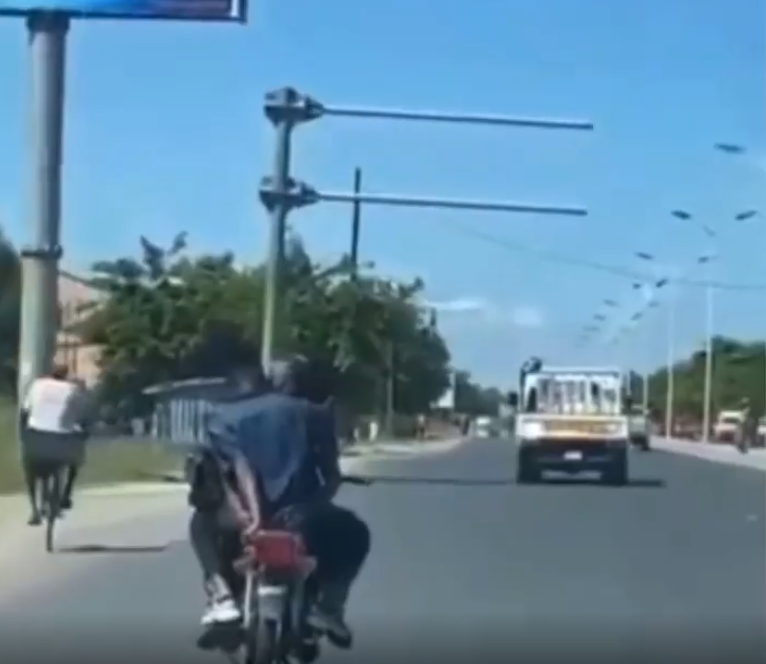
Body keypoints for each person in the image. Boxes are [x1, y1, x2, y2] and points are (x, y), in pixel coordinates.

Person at [188, 358, 370, 649]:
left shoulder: (224, 416)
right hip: (302, 518)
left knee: (201, 524)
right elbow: (331, 476)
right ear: (296, 383)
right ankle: (329, 607)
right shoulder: (315, 414)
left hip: (242, 519)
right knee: (356, 533)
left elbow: (224, 473)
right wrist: (311, 503)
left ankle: (221, 593)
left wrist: (246, 512)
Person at [20, 365, 89, 525]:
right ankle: (66, 493)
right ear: (66, 376)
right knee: (75, 459)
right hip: (62, 438)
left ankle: (34, 511)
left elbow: (25, 412)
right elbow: (81, 416)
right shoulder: (73, 390)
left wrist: (24, 435)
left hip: (37, 434)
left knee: (29, 470)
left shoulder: (37, 385)